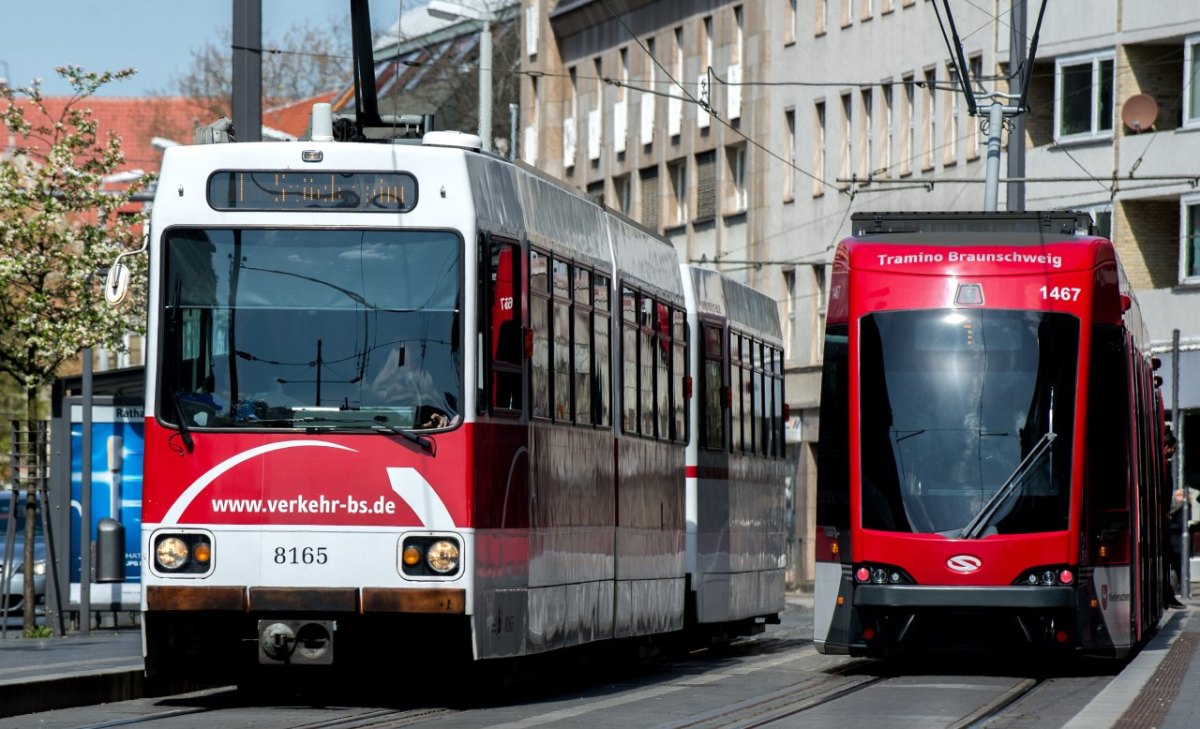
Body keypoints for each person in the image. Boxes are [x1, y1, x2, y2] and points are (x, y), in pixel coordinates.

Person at [1164, 426, 1186, 609]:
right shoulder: (1162, 465)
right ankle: (1167, 594)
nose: (1173, 451)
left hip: (1165, 518)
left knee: (1169, 557)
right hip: (1163, 521)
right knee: (1168, 557)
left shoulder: (1166, 464)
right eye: (1171, 448)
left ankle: (1168, 593)